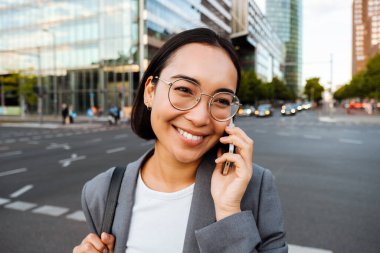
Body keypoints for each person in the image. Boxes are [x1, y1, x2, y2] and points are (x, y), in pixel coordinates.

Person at [73, 28, 287, 253]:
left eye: (222, 101)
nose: (200, 117)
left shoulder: (255, 188)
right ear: (150, 92)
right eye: (184, 89)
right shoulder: (101, 192)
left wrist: (228, 211)